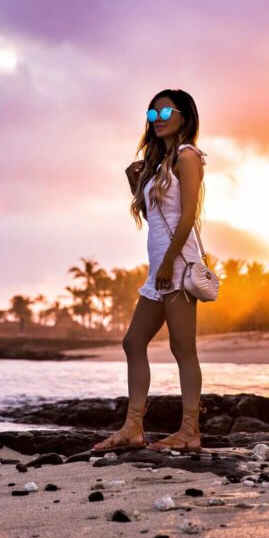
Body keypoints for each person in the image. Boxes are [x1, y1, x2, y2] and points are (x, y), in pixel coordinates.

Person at [93, 88, 208, 454]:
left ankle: (190, 431)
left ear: (184, 117)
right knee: (133, 342)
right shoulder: (159, 164)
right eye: (152, 115)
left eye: (165, 113)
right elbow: (153, 219)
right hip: (159, 267)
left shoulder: (189, 157)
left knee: (182, 348)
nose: (157, 121)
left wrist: (169, 261)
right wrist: (135, 183)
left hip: (176, 262)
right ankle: (133, 428)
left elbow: (188, 215)